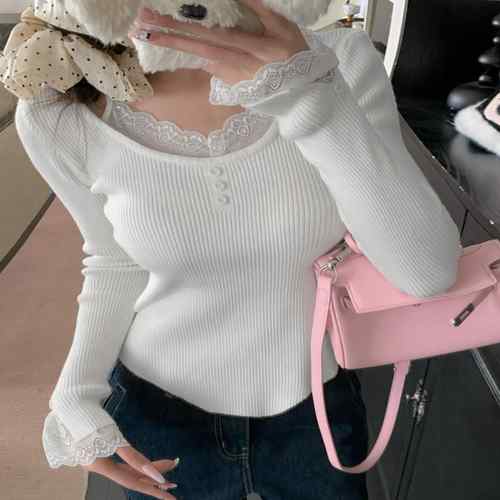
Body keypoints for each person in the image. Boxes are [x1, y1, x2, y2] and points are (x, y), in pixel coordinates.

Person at [5, 0, 462, 499]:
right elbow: (113, 260)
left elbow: (427, 273)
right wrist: (76, 390)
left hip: (315, 407)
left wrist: (309, 98)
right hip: (157, 412)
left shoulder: (338, 61)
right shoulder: (60, 107)